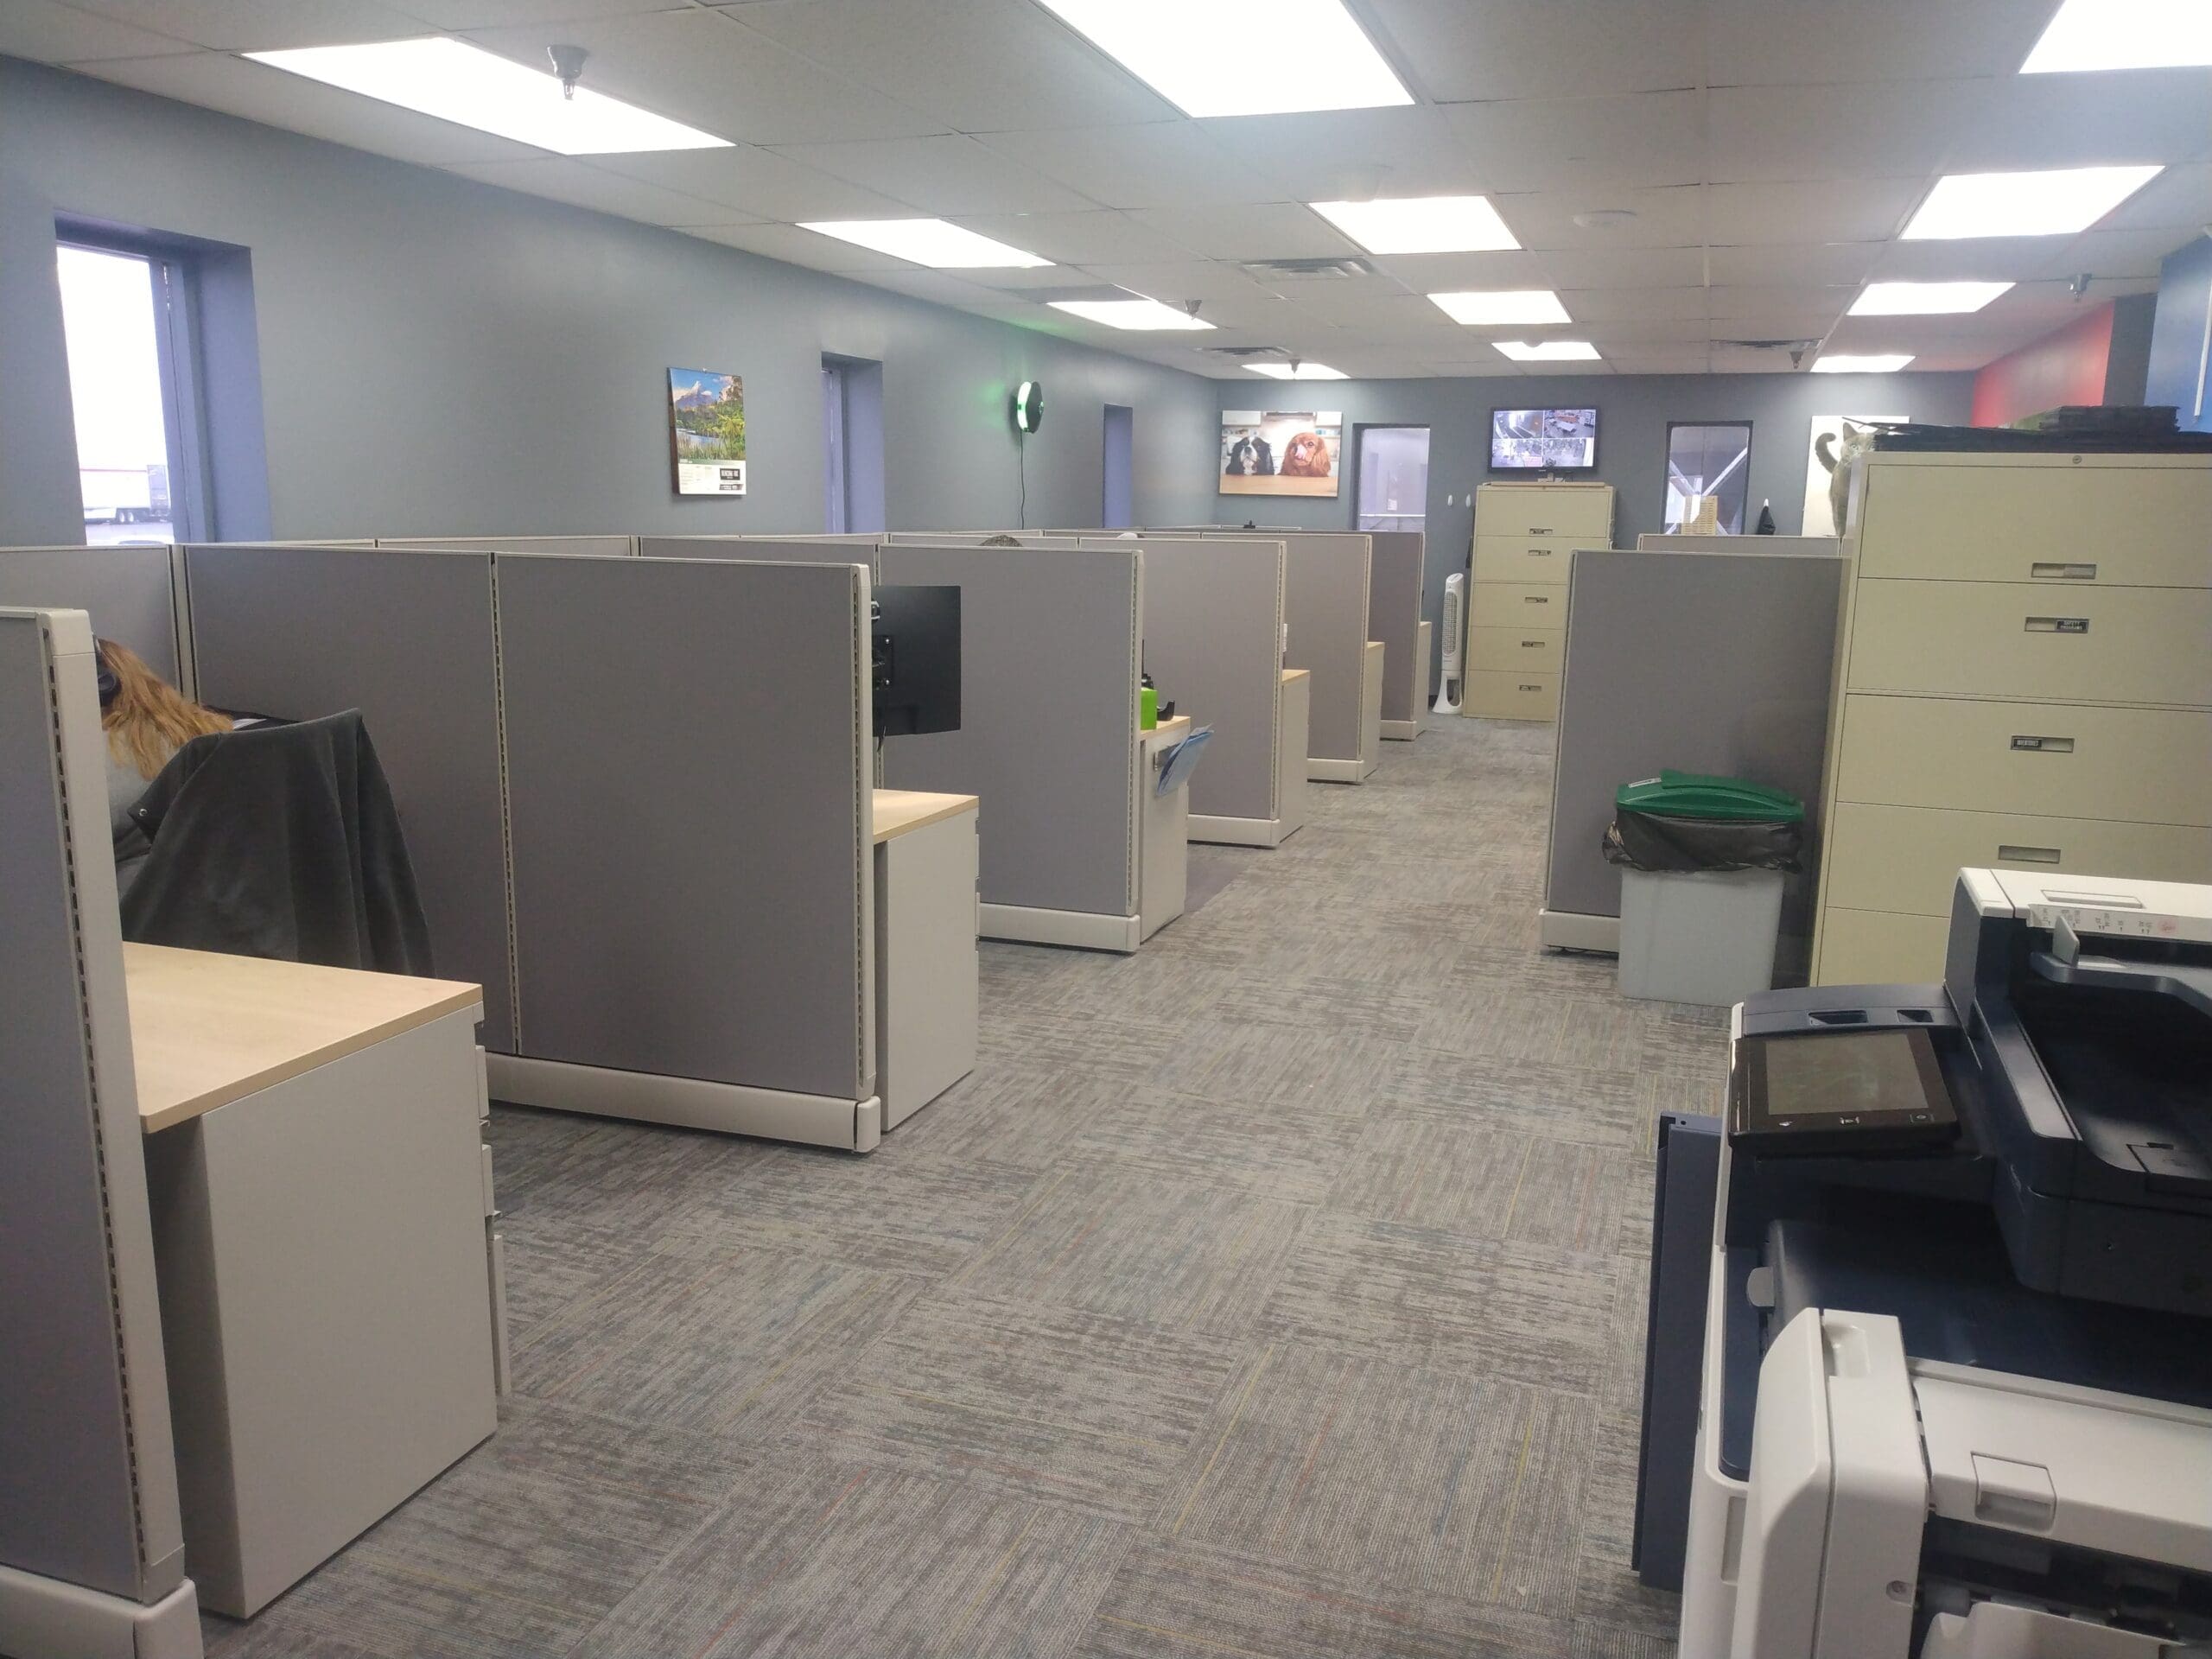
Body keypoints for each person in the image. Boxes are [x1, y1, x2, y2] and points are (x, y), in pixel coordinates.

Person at [97, 637, 232, 892]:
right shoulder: (210, 729)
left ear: (104, 686)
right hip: (219, 897)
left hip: (132, 910)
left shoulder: (102, 759)